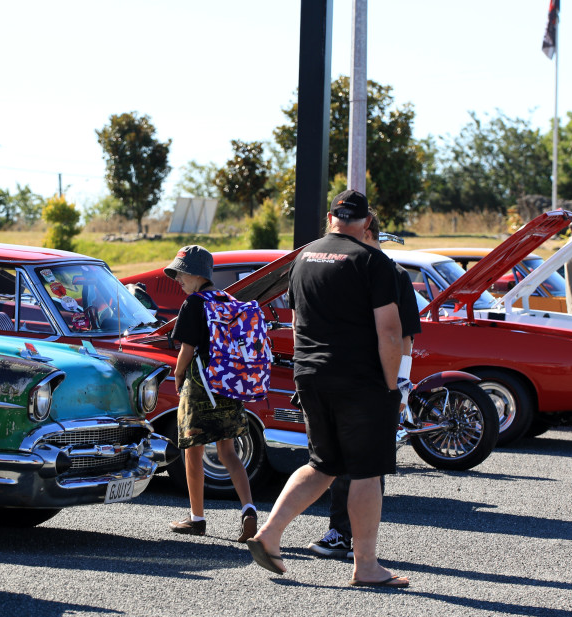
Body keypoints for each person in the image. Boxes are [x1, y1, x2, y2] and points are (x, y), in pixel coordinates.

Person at [247, 189, 409, 587]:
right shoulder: (373, 261)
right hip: (360, 380)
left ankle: (269, 534)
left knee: (323, 464)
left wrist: (305, 371)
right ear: (367, 222)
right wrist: (392, 388)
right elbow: (390, 332)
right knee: (367, 471)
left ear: (329, 218)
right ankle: (366, 566)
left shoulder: (303, 258)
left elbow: (297, 323)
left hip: (310, 374)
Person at [309, 209, 420, 559]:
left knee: (362, 467)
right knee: (338, 464)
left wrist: (399, 387)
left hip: (373, 383)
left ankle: (349, 538)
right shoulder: (349, 266)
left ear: (367, 232)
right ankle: (345, 537)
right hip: (345, 379)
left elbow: (404, 337)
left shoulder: (390, 273)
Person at [164, 245, 259, 542]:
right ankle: (248, 509)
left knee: (193, 451)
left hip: (200, 384)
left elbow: (187, 349)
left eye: (181, 274)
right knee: (228, 451)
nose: (178, 279)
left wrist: (178, 375)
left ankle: (197, 518)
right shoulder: (228, 300)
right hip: (228, 384)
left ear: (197, 274)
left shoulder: (194, 303)